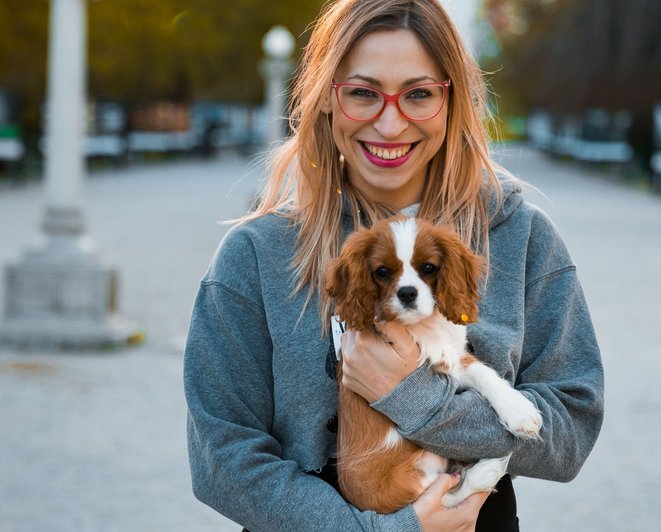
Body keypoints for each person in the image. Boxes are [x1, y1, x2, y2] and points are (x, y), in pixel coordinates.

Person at [183, 1, 604, 531]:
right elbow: (222, 458)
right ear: (326, 100)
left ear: (453, 102)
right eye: (362, 92)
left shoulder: (521, 236)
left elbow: (570, 432)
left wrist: (418, 400)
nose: (389, 122)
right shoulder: (257, 253)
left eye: (419, 94)